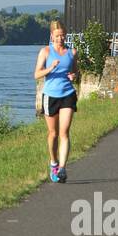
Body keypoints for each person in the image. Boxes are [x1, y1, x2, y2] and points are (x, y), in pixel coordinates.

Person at [34, 20, 78, 183]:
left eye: (63, 36)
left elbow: (75, 72)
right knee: (53, 134)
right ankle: (54, 162)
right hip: (50, 96)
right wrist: (50, 68)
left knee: (64, 132)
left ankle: (62, 169)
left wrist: (73, 76)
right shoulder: (45, 52)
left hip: (67, 93)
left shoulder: (71, 52)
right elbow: (36, 75)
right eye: (58, 36)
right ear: (51, 36)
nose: (61, 39)